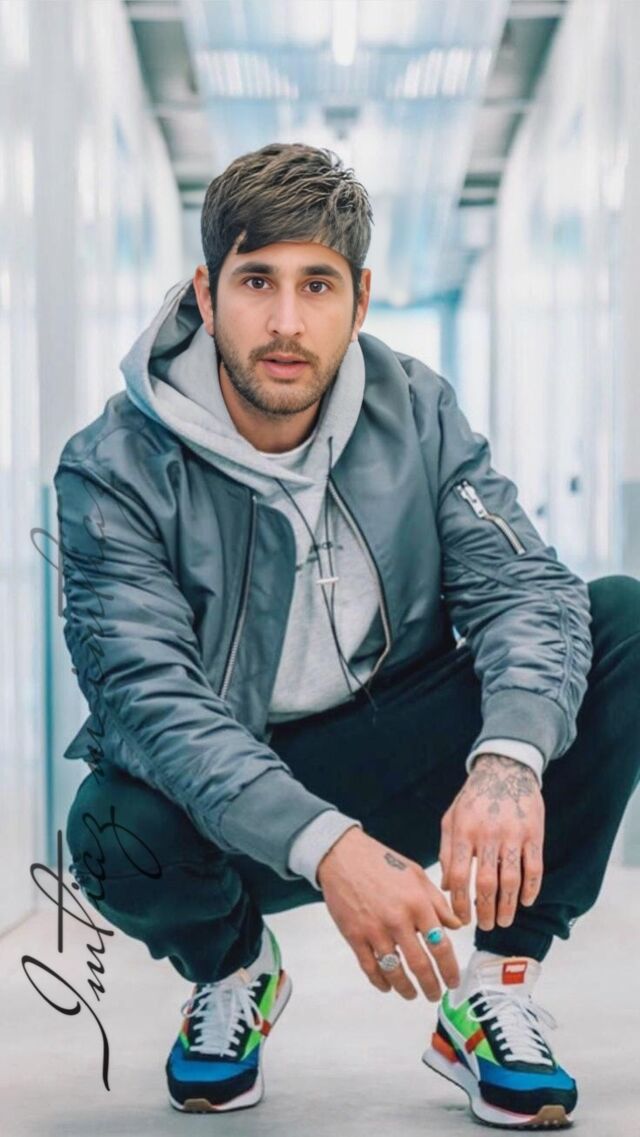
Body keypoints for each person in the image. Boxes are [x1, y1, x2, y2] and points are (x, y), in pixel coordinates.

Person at [56, 142, 640, 1129]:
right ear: (205, 293)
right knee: (111, 829)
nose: (287, 322)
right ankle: (235, 968)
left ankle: (495, 987)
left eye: (317, 285)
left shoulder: (415, 409)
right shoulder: (113, 466)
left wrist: (507, 758)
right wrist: (326, 847)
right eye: (256, 281)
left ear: (360, 300)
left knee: (619, 620)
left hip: (400, 736)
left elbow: (523, 588)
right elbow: (148, 700)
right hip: (230, 790)